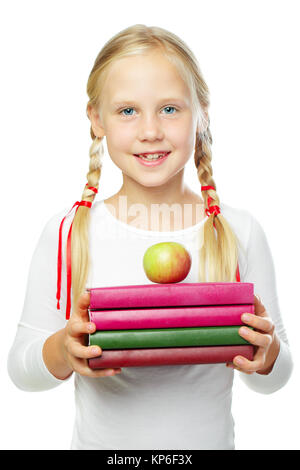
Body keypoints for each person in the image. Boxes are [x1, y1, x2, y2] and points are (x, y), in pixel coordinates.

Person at [7, 24, 293, 450]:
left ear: (202, 113)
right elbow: (20, 370)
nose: (150, 131)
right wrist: (64, 351)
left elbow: (277, 377)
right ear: (95, 119)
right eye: (127, 111)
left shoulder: (237, 231)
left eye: (170, 109)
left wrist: (266, 353)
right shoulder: (70, 233)